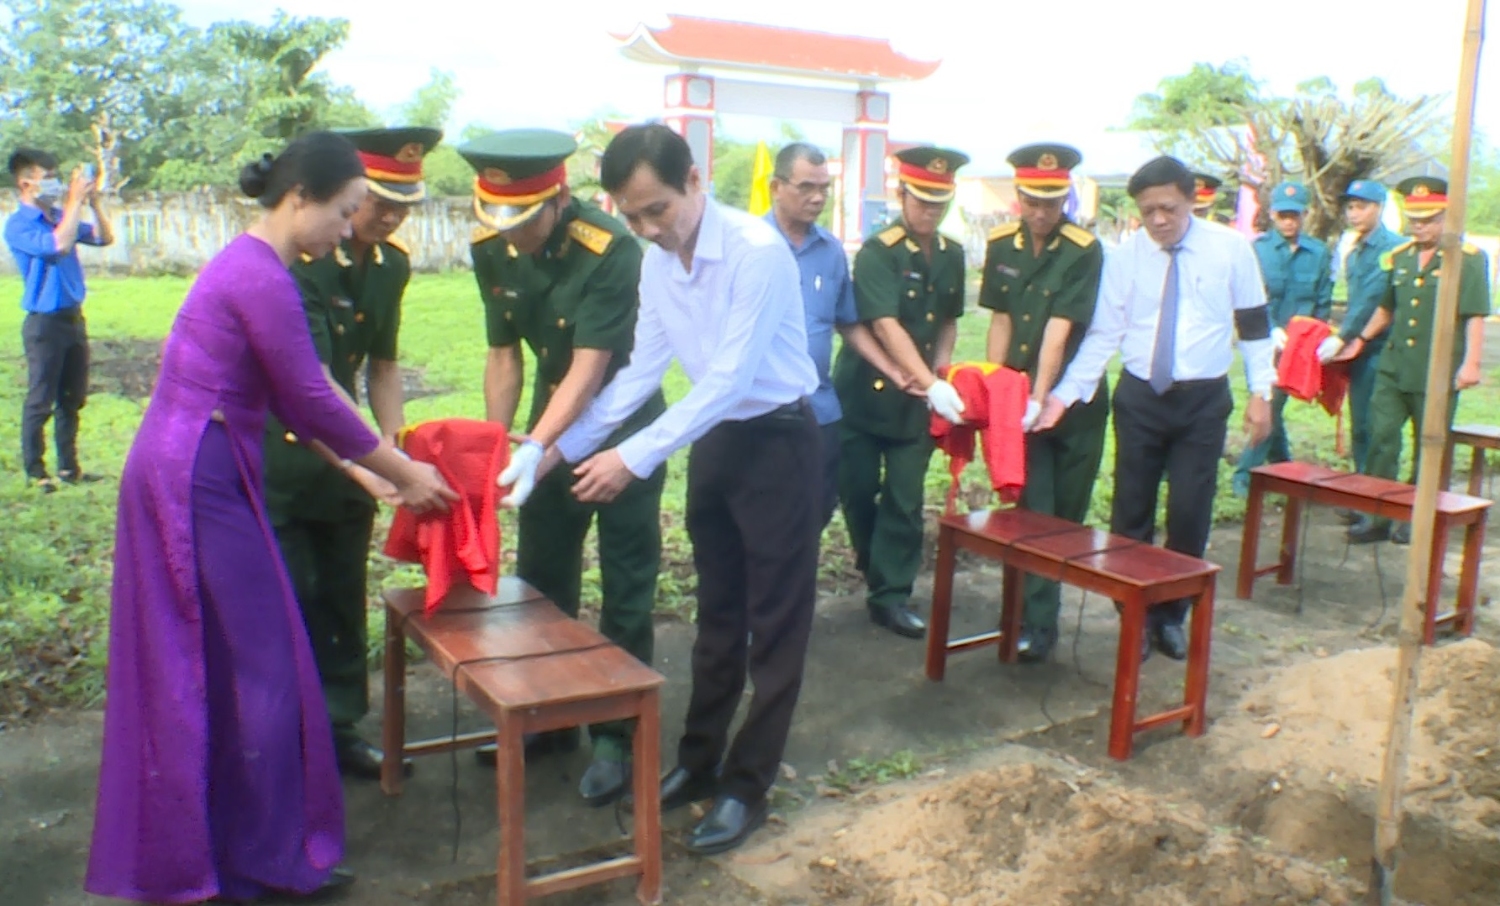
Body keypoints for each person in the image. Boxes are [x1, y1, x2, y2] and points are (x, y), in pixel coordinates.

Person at [84, 132, 457, 904]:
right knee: (262, 667)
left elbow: (300, 404)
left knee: (235, 663)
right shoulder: (259, 276)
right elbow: (313, 397)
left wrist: (370, 473)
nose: (350, 226)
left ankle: (237, 850)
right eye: (347, 210)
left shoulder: (260, 268)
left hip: (208, 464)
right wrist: (405, 472)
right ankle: (256, 858)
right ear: (300, 201)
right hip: (196, 473)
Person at [535, 123, 820, 855]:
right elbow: (636, 376)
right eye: (630, 217)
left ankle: (747, 785)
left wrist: (630, 459)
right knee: (717, 618)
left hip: (782, 441)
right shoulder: (657, 266)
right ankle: (699, 762)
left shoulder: (757, 254)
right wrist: (549, 450)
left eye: (656, 209)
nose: (646, 229)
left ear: (695, 180)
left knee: (777, 628)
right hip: (718, 443)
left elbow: (728, 378)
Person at [461, 128, 667, 807]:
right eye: (499, 216)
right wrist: (501, 446)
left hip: (621, 432)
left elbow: (592, 365)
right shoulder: (491, 246)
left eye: (522, 218)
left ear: (560, 197)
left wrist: (536, 446)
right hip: (543, 433)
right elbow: (503, 354)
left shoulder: (611, 249)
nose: (510, 233)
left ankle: (615, 731)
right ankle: (546, 714)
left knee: (625, 580)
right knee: (542, 577)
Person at [1035, 156, 1274, 660]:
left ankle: (1172, 614)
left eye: (1168, 208)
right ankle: (1134, 617)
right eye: (1148, 212)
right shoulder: (1126, 257)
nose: (1159, 220)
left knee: (1189, 511)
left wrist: (1261, 393)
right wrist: (1062, 395)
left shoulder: (1229, 249)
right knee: (1131, 510)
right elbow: (1105, 335)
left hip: (1202, 401)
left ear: (1191, 199)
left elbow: (1254, 326)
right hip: (1141, 397)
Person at [263, 125, 441, 782]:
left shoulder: (391, 264)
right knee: (290, 595)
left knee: (340, 593)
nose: (390, 216)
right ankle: (287, 740)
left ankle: (337, 730)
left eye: (403, 205)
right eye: (379, 201)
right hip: (288, 457)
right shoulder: (301, 261)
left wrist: (392, 441)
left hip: (354, 457)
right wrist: (378, 466)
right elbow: (313, 381)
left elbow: (382, 365)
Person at [834, 145, 970, 639]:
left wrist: (941, 372)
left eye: (940, 201)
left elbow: (948, 321)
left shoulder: (952, 253)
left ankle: (892, 595)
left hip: (916, 403)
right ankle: (877, 572)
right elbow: (886, 326)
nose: (930, 210)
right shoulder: (879, 251)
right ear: (902, 193)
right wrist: (929, 382)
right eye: (922, 200)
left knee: (906, 498)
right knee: (857, 491)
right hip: (865, 396)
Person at [980, 143, 1106, 662]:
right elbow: (1001, 320)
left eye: (1051, 203)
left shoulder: (1083, 249)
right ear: (1018, 195)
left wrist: (1039, 395)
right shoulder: (1001, 245)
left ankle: (1040, 606)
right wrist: (995, 388)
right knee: (1033, 509)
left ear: (1066, 199)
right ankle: (1036, 621)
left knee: (1065, 519)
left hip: (1073, 405)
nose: (1040, 214)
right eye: (1032, 201)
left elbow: (1059, 331)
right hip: (1020, 400)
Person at [1322, 177, 1490, 545]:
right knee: (1381, 436)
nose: (1421, 226)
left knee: (1428, 445)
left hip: (1437, 368)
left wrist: (1471, 363)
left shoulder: (1467, 259)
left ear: (1446, 216)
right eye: (1415, 219)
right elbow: (1387, 307)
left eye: (1429, 219)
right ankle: (1377, 512)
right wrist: (1360, 340)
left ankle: (1420, 514)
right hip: (1394, 365)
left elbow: (1475, 314)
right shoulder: (1400, 257)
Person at [765, 141, 908, 528]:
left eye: (824, 189)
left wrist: (892, 369)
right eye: (806, 187)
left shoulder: (829, 251)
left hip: (819, 410)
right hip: (762, 411)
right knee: (766, 516)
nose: (817, 198)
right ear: (776, 187)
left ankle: (798, 590)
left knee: (816, 510)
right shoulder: (749, 245)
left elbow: (847, 322)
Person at [5, 147, 114, 492]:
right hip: (44, 323)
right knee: (41, 398)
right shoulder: (19, 225)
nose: (52, 182)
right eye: (45, 176)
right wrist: (73, 202)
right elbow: (57, 246)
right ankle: (36, 471)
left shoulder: (58, 215)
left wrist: (93, 202)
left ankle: (69, 467)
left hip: (72, 319)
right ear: (26, 183)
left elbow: (104, 237)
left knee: (72, 397)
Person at [1232, 182, 1333, 496]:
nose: (1289, 222)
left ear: (1305, 215)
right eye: (1283, 215)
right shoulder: (1258, 250)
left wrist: (1317, 336)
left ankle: (1280, 464)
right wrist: (1271, 328)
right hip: (1264, 341)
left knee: (1276, 403)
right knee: (1269, 401)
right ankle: (1246, 474)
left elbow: (1322, 300)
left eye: (1295, 215)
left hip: (1300, 345)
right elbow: (1251, 297)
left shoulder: (1318, 252)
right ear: (1272, 214)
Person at [1331, 179, 1405, 491]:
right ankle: (1361, 492)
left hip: (1382, 348)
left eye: (1361, 206)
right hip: (1359, 350)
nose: (1354, 213)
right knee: (1359, 425)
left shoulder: (1391, 248)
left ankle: (1379, 497)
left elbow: (1373, 299)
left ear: (1379, 208)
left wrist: (1344, 336)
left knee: (1379, 428)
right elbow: (1354, 301)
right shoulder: (1356, 251)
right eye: (1350, 207)